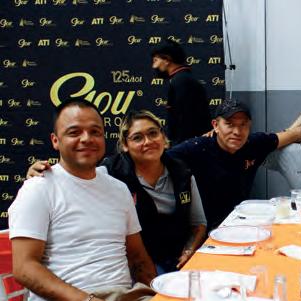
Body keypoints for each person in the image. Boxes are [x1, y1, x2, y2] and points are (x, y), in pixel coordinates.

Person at [8, 98, 156, 301]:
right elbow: (23, 267)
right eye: (74, 132)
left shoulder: (118, 189)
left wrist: (157, 296)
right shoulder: (39, 188)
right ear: (55, 140)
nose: (87, 138)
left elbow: (138, 257)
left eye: (95, 131)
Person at [27, 111, 208, 275]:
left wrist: (189, 251)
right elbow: (74, 177)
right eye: (137, 138)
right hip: (134, 264)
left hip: (178, 258)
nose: (148, 142)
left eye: (153, 133)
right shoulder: (110, 172)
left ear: (163, 137)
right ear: (125, 145)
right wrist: (40, 175)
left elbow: (198, 223)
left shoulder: (182, 172)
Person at [167, 99, 301, 231]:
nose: (237, 132)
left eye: (243, 125)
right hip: (206, 228)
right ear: (215, 125)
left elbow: (294, 134)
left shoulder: (254, 143)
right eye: (229, 124)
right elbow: (162, 159)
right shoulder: (198, 147)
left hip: (241, 223)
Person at [151, 39, 212, 145]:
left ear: (167, 60)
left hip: (189, 147)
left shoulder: (181, 82)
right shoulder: (182, 80)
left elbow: (185, 121)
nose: (154, 66)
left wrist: (178, 148)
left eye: (155, 60)